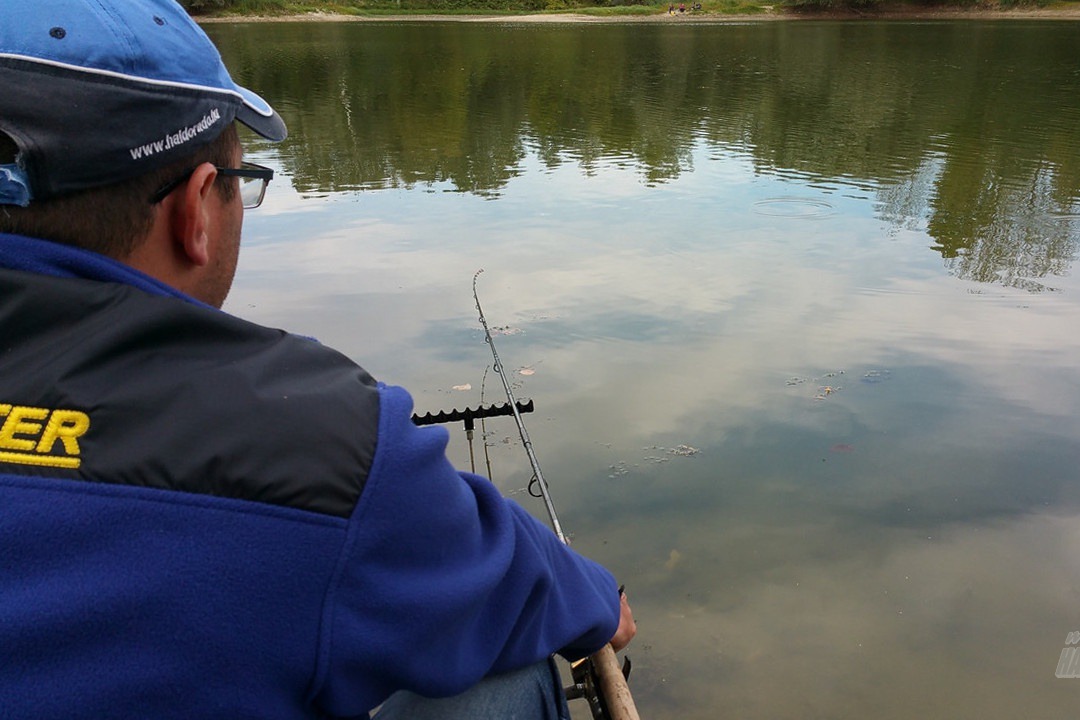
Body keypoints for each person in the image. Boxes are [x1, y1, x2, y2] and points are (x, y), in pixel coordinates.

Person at [0, 1, 635, 719]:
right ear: (197, 210)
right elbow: (520, 589)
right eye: (242, 181)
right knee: (494, 674)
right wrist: (598, 598)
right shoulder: (311, 440)